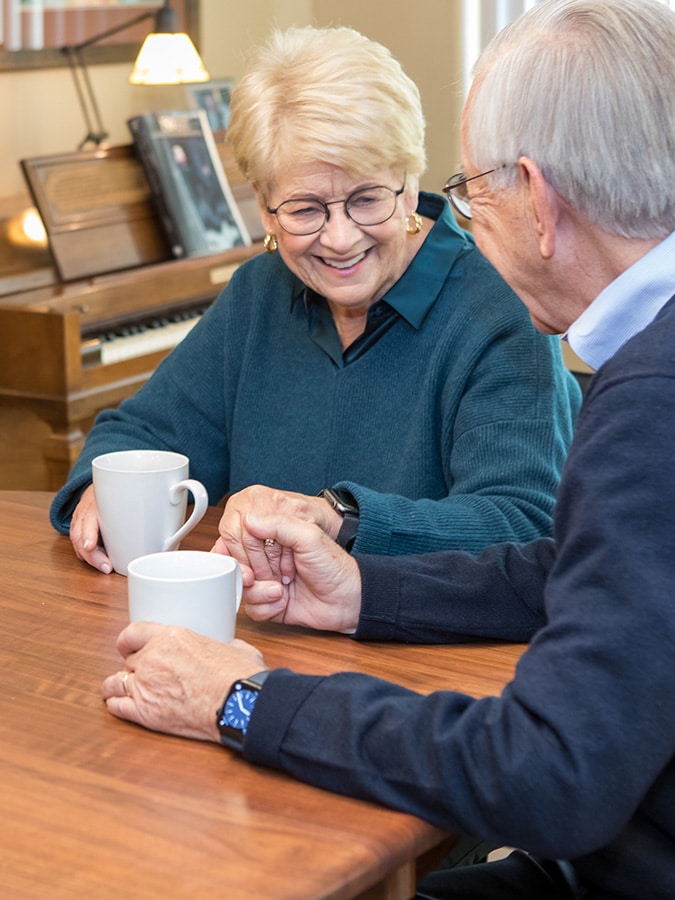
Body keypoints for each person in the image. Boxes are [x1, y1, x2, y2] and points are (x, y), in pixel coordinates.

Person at [102, 1, 675, 896]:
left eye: (473, 191)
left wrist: (242, 700)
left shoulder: (647, 395)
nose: (464, 221)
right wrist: (362, 590)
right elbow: (572, 567)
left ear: (539, 197)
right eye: (304, 207)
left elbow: (548, 774)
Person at [50, 25, 580, 575]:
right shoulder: (259, 293)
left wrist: (340, 518)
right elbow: (141, 434)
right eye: (305, 209)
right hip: (261, 630)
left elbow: (521, 523)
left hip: (425, 649)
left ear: (410, 178)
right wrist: (99, 487)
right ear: (263, 207)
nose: (340, 238)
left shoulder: (499, 310)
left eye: (367, 199)